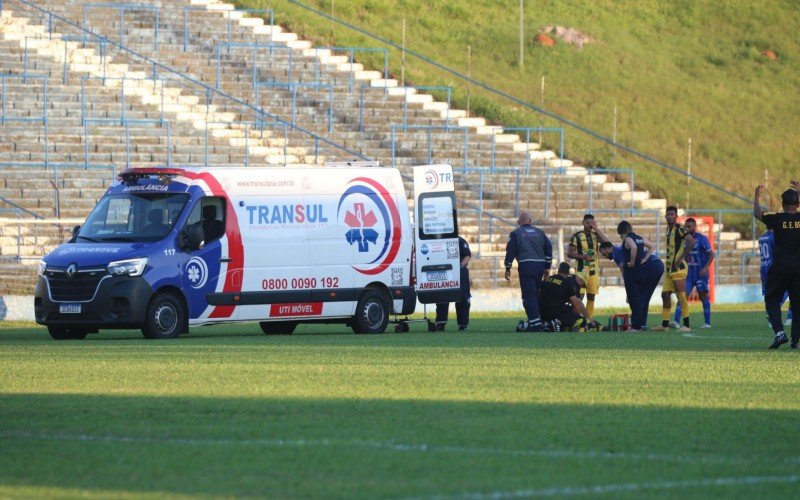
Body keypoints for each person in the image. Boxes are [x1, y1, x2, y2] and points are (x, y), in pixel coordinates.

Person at [753, 182, 800, 349]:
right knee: (797, 304)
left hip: (779, 268)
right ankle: (795, 341)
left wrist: (756, 195)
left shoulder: (777, 218)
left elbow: (757, 213)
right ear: (798, 204)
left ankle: (779, 333)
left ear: (782, 204)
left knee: (772, 299)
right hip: (798, 268)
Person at [504, 211, 553, 332]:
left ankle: (535, 324)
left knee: (528, 295)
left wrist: (508, 268)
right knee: (536, 294)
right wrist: (547, 266)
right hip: (540, 266)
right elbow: (549, 248)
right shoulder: (540, 233)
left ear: (518, 222)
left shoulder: (516, 233)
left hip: (526, 265)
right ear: (530, 221)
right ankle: (538, 320)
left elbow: (510, 251)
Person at [615, 221, 664, 331]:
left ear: (622, 232)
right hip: (641, 271)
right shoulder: (639, 238)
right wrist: (645, 259)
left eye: (620, 236)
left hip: (631, 272)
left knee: (634, 300)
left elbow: (633, 247)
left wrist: (631, 262)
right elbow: (651, 246)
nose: (621, 239)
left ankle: (636, 326)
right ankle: (641, 324)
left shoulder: (628, 238)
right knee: (640, 298)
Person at [651, 206, 694, 332]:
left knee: (681, 296)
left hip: (679, 268)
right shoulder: (668, 230)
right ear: (665, 216)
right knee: (665, 295)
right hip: (670, 269)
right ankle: (664, 325)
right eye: (667, 214)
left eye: (672, 214)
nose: (669, 216)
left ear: (676, 216)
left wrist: (680, 258)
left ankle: (686, 325)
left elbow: (691, 242)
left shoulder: (680, 229)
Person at [673, 218, 715, 328]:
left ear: (694, 227)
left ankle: (707, 323)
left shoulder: (702, 239)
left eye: (690, 226)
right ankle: (676, 322)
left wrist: (705, 268)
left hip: (700, 274)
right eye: (686, 226)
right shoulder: (684, 240)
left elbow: (711, 254)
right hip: (689, 275)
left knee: (703, 297)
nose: (687, 228)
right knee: (682, 296)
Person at [567, 214, 608, 319]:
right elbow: (570, 254)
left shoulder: (595, 235)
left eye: (592, 222)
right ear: (583, 223)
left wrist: (596, 228)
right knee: (579, 296)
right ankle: (577, 319)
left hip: (594, 272)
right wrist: (582, 256)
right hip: (581, 271)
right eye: (588, 222)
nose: (590, 224)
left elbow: (607, 244)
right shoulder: (576, 236)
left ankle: (589, 320)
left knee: (591, 297)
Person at [539, 262, 600, 332]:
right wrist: (585, 318)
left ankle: (547, 324)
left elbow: (538, 294)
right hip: (555, 313)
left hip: (542, 313)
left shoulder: (547, 279)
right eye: (582, 284)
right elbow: (577, 304)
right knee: (580, 319)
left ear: (558, 270)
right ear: (568, 272)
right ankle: (559, 322)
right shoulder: (569, 283)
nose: (581, 287)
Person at [435, 236, 472, 331]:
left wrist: (459, 267)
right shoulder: (438, 241)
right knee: (442, 297)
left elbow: (467, 255)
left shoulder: (460, 240)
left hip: (460, 274)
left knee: (463, 298)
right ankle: (440, 323)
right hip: (444, 272)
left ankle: (463, 325)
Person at [758, 228, 792, 327]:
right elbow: (778, 251)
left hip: (763, 267)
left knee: (767, 293)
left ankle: (771, 318)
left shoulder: (762, 237)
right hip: (774, 267)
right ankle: (787, 316)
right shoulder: (774, 236)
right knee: (789, 290)